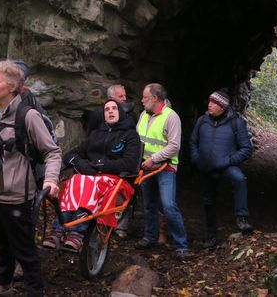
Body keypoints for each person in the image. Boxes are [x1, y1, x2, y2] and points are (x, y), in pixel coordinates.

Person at [0, 60, 61, 297]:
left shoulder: (28, 115)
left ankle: (35, 290)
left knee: (24, 250)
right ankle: (3, 285)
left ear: (13, 86)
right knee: (1, 246)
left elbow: (52, 151)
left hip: (17, 197)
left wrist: (51, 180)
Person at [42, 99, 141, 251]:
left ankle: (77, 233)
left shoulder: (131, 135)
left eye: (114, 108)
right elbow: (71, 154)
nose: (110, 111)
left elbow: (129, 163)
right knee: (76, 178)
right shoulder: (95, 134)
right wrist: (79, 163)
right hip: (90, 177)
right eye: (106, 109)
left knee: (86, 181)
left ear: (120, 113)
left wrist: (103, 166)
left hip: (115, 179)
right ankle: (58, 231)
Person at [190, 90, 253, 249]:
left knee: (239, 179)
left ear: (223, 107)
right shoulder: (202, 121)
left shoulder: (236, 122)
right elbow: (192, 142)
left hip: (226, 167)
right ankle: (211, 237)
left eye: (214, 103)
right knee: (208, 202)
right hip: (206, 168)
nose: (209, 105)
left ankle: (242, 218)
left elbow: (246, 148)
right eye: (210, 101)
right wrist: (197, 160)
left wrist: (228, 161)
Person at [135, 83, 189, 257]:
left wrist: (154, 159)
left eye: (144, 97)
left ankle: (181, 245)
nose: (142, 100)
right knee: (149, 205)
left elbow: (174, 146)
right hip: (146, 167)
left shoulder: (171, 117)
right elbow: (138, 139)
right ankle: (150, 237)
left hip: (165, 167)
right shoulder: (144, 114)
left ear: (155, 98)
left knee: (168, 205)